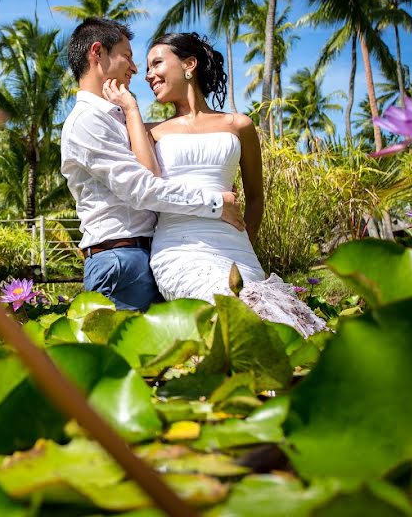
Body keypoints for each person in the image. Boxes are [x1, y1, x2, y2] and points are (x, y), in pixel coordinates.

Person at [102, 32, 326, 337]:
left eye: (156, 63)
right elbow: (149, 182)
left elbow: (256, 199)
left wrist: (245, 243)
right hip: (180, 250)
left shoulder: (240, 126)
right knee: (236, 320)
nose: (148, 74)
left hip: (237, 252)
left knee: (279, 325)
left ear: (189, 64)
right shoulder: (148, 130)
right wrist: (130, 109)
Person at [60, 18, 245, 312]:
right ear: (98, 52)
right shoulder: (88, 122)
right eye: (128, 57)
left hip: (151, 255)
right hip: (119, 259)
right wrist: (215, 204)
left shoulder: (117, 118)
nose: (135, 69)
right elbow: (142, 189)